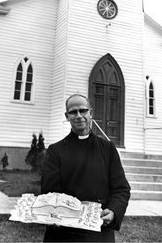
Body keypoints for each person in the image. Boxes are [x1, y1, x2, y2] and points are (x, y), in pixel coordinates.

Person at [41, 93, 130, 242]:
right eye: (73, 112)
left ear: (91, 113)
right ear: (67, 116)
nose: (78, 116)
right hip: (64, 232)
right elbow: (49, 193)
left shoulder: (107, 148)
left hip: (98, 231)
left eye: (83, 110)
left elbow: (121, 189)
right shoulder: (55, 151)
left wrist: (114, 211)